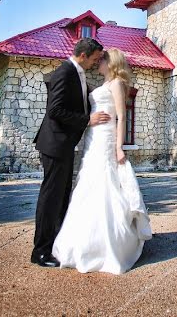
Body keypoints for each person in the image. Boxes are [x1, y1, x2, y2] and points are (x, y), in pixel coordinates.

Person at [52, 48, 153, 274]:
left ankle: (110, 245)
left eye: (102, 59)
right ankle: (82, 240)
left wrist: (119, 147)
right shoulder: (103, 83)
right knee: (87, 183)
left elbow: (121, 116)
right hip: (93, 137)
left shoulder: (117, 83)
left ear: (111, 62)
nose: (98, 62)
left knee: (104, 183)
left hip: (106, 138)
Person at [31, 37, 111, 268]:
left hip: (64, 145)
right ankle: (40, 251)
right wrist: (87, 120)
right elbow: (55, 111)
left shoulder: (78, 73)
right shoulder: (64, 73)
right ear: (83, 55)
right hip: (54, 144)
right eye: (95, 59)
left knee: (62, 197)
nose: (96, 63)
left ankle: (56, 245)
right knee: (50, 199)